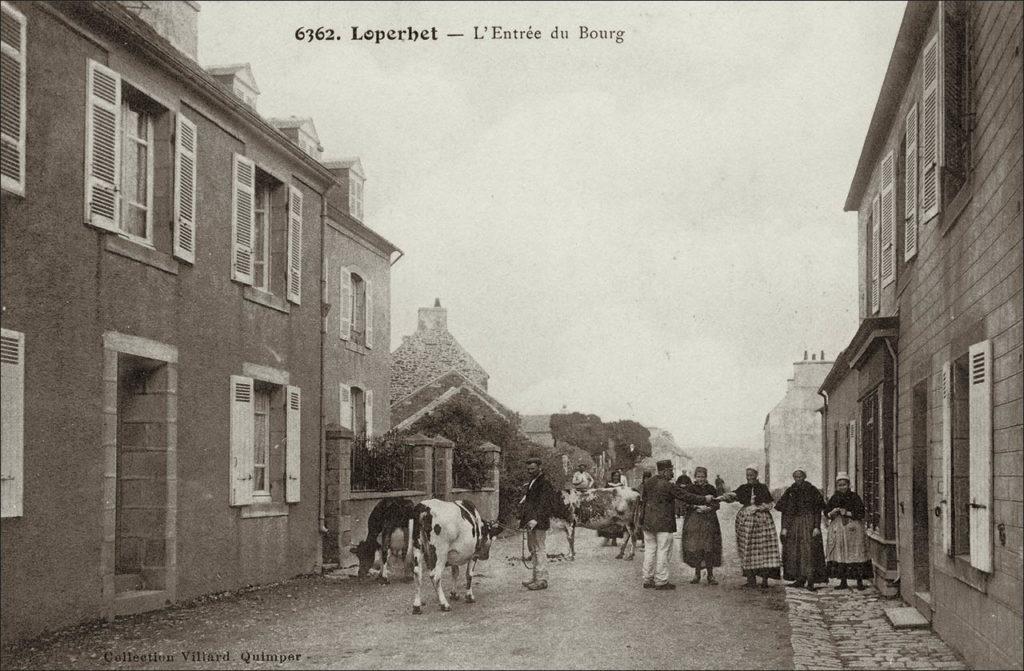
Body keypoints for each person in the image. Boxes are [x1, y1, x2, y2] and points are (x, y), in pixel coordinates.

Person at [639, 460, 715, 590]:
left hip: (648, 523)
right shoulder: (668, 486)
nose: (673, 473)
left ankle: (647, 579)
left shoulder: (648, 483)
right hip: (664, 524)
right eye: (671, 470)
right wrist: (705, 499)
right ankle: (661, 581)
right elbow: (686, 496)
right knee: (663, 551)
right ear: (664, 471)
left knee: (650, 551)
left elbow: (643, 500)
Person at [718, 465, 781, 588]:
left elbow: (770, 503)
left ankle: (764, 580)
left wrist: (758, 507)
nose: (749, 478)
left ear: (756, 475)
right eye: (747, 475)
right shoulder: (744, 488)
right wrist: (721, 497)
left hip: (762, 522)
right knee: (747, 548)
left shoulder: (762, 488)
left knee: (764, 550)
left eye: (751, 475)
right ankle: (751, 580)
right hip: (746, 522)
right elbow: (733, 495)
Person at [776, 469, 828, 591]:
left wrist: (816, 526)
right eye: (796, 476)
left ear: (804, 476)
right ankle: (799, 579)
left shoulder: (812, 490)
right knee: (796, 551)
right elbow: (785, 512)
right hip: (794, 525)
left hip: (808, 523)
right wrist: (784, 527)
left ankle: (810, 580)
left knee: (808, 551)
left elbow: (817, 510)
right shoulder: (790, 491)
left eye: (800, 476)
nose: (798, 478)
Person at [825, 472, 871, 591]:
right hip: (839, 528)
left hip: (854, 529)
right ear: (837, 486)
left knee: (856, 553)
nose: (842, 487)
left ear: (848, 484)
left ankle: (859, 581)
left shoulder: (854, 497)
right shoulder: (834, 497)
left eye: (844, 484)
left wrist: (848, 513)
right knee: (841, 554)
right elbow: (826, 512)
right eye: (839, 485)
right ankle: (843, 581)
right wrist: (832, 512)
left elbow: (861, 513)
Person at [520, 457, 558, 591]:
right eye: (528, 469)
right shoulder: (533, 481)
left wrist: (535, 519)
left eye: (533, 469)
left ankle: (542, 579)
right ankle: (535, 577)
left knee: (539, 549)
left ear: (539, 468)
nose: (530, 471)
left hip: (538, 522)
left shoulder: (545, 483)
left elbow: (545, 504)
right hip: (531, 521)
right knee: (533, 549)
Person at [680, 467, 722, 585]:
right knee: (697, 548)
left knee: (708, 547)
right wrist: (696, 507)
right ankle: (697, 574)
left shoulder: (711, 489)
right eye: (698, 477)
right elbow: (686, 503)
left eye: (703, 477)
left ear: (706, 477)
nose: (700, 479)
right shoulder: (690, 488)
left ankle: (710, 575)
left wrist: (709, 508)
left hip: (709, 521)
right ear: (695, 477)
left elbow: (717, 505)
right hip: (695, 521)